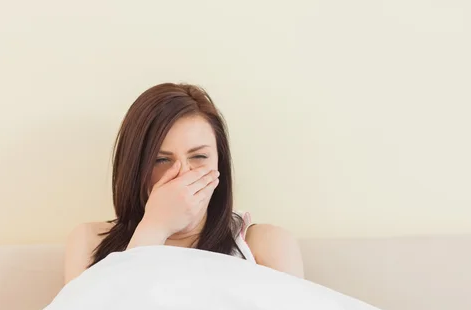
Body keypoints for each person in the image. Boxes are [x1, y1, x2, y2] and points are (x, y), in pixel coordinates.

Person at [64, 83, 304, 283]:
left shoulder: (266, 244)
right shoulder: (89, 241)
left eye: (199, 157)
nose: (182, 175)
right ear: (136, 168)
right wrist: (153, 230)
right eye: (161, 160)